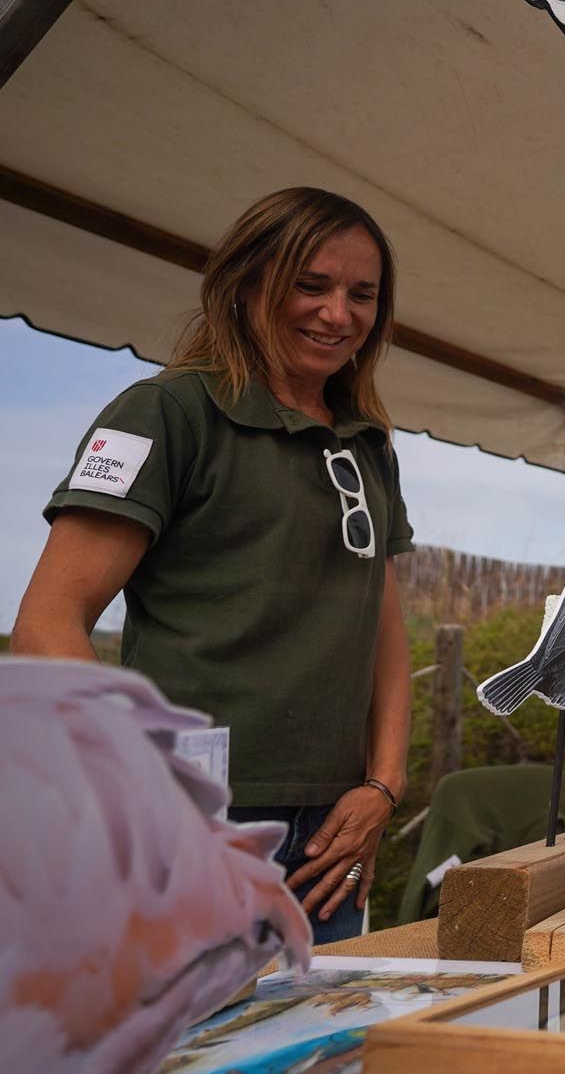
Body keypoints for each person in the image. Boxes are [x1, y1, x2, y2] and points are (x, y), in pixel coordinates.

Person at [12, 187, 416, 945]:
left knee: (318, 1059)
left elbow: (383, 629)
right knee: (180, 1058)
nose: (339, 313)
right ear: (249, 280)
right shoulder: (164, 413)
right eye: (312, 284)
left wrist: (384, 785)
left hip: (335, 833)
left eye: (362, 295)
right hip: (189, 823)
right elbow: (45, 624)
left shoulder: (368, 445)